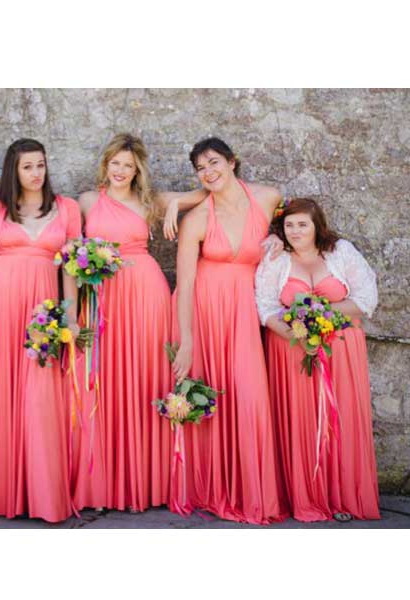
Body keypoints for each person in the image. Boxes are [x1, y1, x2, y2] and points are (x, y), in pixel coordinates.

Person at [73, 133, 207, 513]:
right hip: (102, 296)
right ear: (106, 165)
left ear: (138, 170)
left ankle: (145, 480)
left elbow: (204, 193)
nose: (120, 171)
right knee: (103, 378)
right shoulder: (87, 200)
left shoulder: (150, 200)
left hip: (144, 292)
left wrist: (175, 204)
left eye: (128, 166)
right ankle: (104, 481)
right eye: (115, 163)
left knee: (143, 375)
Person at [0, 138, 82, 522]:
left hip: (42, 312)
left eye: (40, 165)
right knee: (0, 388)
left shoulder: (66, 208)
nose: (36, 173)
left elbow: (71, 267)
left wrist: (71, 315)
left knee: (39, 394)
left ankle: (41, 495)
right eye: (28, 166)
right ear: (14, 170)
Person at [171, 136, 287, 524]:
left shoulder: (267, 198)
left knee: (249, 396)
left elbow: (296, 223)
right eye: (200, 168)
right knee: (213, 395)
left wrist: (277, 235)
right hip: (205, 310)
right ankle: (213, 487)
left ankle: (253, 494)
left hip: (246, 310)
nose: (208, 172)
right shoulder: (197, 219)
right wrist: (187, 340)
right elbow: (185, 282)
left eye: (214, 163)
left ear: (232, 162)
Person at [255, 197, 380, 521]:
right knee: (302, 422)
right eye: (289, 225)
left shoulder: (340, 252)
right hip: (291, 351)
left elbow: (366, 299)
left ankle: (343, 497)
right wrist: (296, 333)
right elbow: (265, 308)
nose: (295, 231)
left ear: (316, 226)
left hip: (341, 351)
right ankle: (306, 496)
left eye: (302, 224)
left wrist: (317, 312)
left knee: (341, 420)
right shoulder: (276, 259)